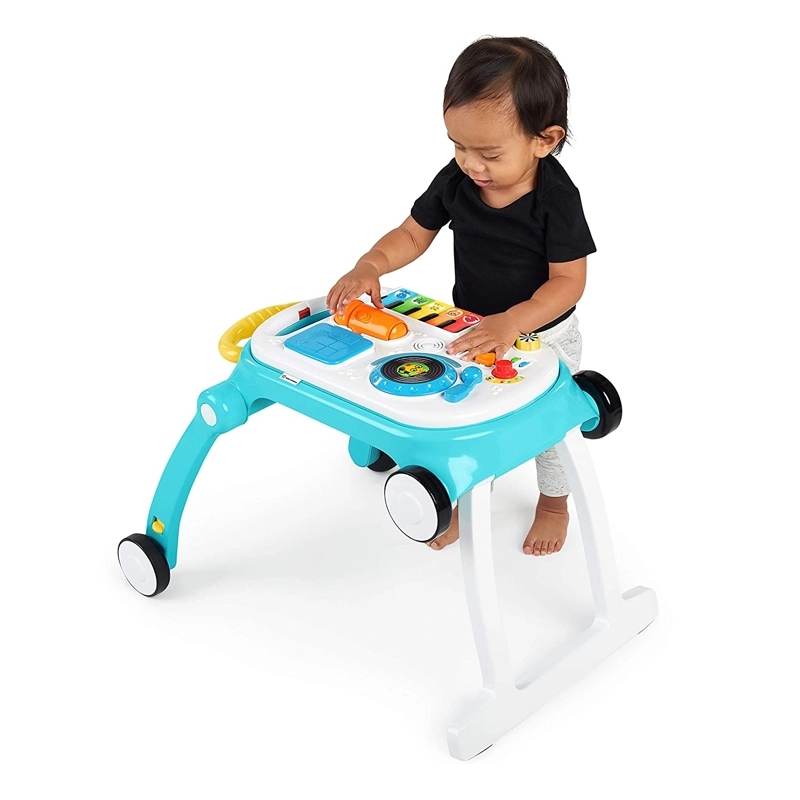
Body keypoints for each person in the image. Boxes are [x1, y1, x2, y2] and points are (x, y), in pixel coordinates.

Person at [326, 36, 596, 556]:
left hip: (542, 335)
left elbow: (568, 281)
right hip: (469, 327)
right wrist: (370, 264)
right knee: (465, 415)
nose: (471, 164)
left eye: (489, 153)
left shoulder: (557, 199)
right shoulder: (458, 180)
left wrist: (514, 321)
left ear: (544, 140)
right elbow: (413, 233)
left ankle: (554, 503)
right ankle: (465, 496)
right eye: (458, 145)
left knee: (550, 429)